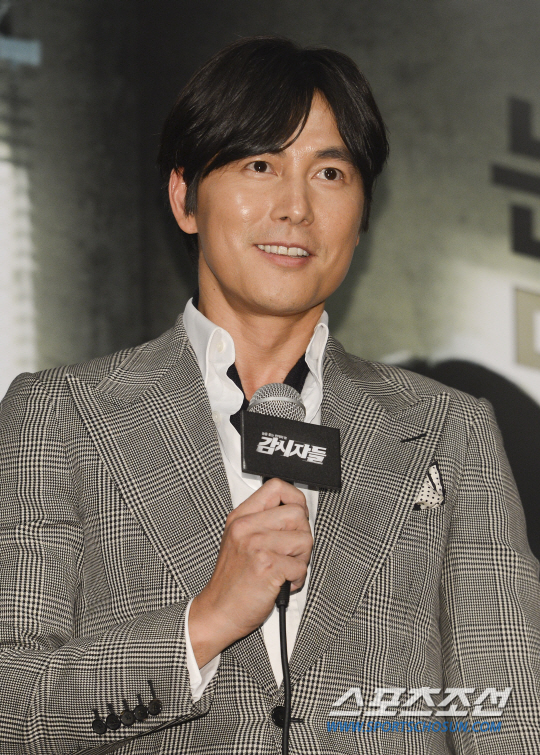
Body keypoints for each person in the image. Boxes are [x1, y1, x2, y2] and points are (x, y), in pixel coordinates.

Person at [0, 36, 539, 755]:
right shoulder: (64, 415)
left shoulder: (447, 428)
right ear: (185, 197)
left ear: (363, 216)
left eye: (330, 173)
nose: (295, 207)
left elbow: (504, 717)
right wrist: (203, 624)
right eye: (260, 165)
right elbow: (11, 711)